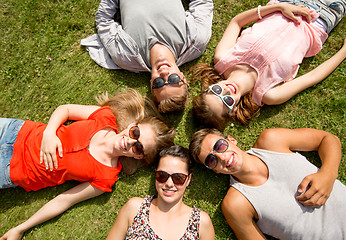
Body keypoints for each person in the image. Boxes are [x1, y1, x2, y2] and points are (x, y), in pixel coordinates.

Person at [0, 88, 175, 240]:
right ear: (133, 124)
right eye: (135, 132)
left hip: (12, 170)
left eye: (138, 148)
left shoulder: (106, 177)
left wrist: (20, 228)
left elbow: (64, 201)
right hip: (15, 130)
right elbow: (66, 110)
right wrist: (49, 133)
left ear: (139, 157)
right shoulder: (104, 117)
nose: (130, 141)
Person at [191, 0, 346, 128]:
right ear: (233, 110)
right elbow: (312, 77)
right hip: (321, 18)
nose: (226, 91)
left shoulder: (223, 58)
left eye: (216, 90)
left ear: (208, 87)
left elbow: (236, 22)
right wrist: (344, 52)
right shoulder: (269, 94)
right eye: (227, 101)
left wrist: (278, 7)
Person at [189, 127, 346, 239]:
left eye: (220, 146)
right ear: (215, 170)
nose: (222, 157)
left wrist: (328, 174)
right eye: (211, 160)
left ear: (231, 140)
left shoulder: (271, 141)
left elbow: (328, 139)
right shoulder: (236, 204)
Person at [81, 0, 213, 113]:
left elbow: (104, 21)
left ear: (151, 84)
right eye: (173, 79)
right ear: (183, 77)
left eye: (158, 83)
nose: (164, 73)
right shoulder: (196, 41)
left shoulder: (125, 56)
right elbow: (203, 2)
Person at [106, 145, 215, 240]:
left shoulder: (200, 222)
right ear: (155, 175)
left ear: (188, 179)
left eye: (178, 178)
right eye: (162, 176)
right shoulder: (134, 208)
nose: (169, 183)